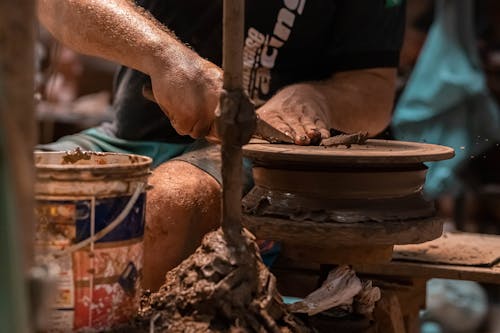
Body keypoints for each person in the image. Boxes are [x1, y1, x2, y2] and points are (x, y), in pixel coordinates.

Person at [37, 0, 405, 290]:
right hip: (125, 135)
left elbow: (374, 86)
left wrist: (315, 99)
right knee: (17, 189)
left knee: (167, 206)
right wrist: (163, 56)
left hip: (263, 155)